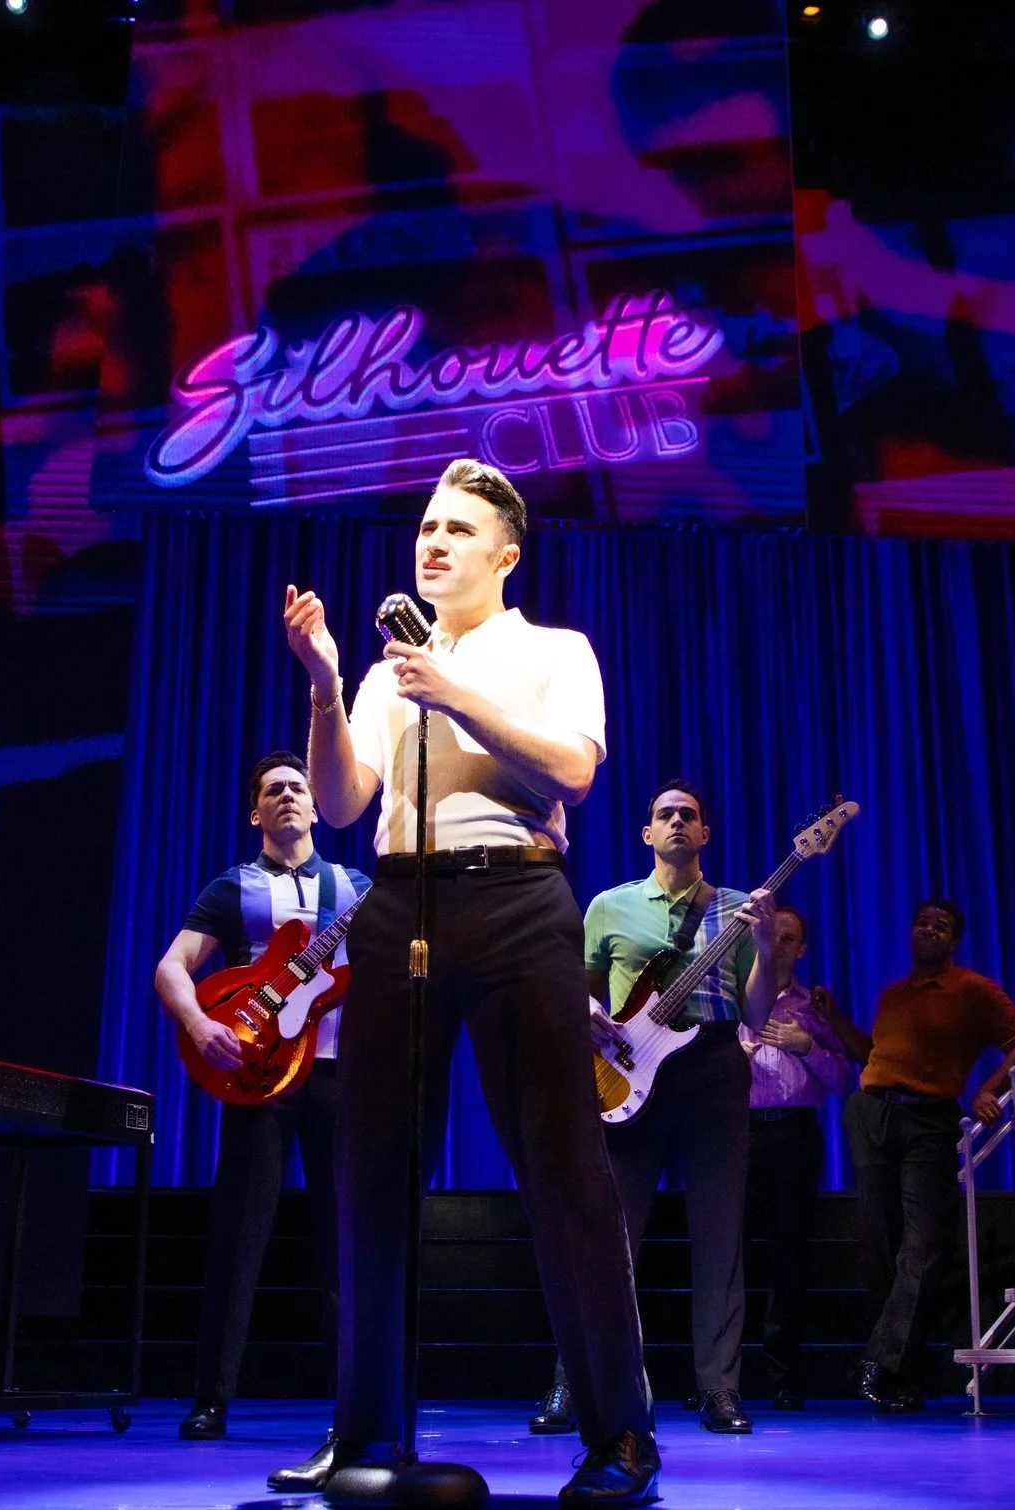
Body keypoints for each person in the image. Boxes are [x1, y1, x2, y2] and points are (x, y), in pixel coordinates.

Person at [272, 458, 659, 1507]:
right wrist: (322, 678)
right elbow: (347, 800)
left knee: (565, 1170)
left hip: (518, 899)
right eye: (425, 527)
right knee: (371, 1172)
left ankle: (620, 1435)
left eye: (456, 529)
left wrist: (454, 690)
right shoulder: (392, 666)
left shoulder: (550, 650)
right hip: (399, 906)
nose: (432, 542)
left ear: (504, 554)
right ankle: (365, 1431)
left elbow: (572, 769)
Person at [529, 782, 777, 1438]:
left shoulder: (736, 912)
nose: (676, 822)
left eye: (688, 815)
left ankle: (720, 1390)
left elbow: (757, 1014)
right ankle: (574, 1383)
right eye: (664, 814)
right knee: (606, 1242)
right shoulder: (609, 907)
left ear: (705, 833)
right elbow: (575, 994)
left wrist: (772, 948)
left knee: (720, 1238)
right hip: (630, 1074)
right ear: (647, 834)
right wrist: (587, 1017)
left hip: (714, 1071)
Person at [153, 751, 369, 1441]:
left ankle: (354, 1404)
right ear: (256, 812)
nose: (288, 796)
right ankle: (211, 1397)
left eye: (299, 787)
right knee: (238, 1237)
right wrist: (198, 1022)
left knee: (345, 1242)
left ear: (316, 806)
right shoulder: (232, 886)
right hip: (257, 1075)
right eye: (274, 790)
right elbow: (172, 966)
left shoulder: (356, 884)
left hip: (338, 1075)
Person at [843, 898, 1015, 1411]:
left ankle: (881, 1361)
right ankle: (896, 1376)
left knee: (924, 1246)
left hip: (929, 1121)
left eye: (942, 925)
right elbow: (873, 1056)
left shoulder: (971, 989)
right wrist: (830, 1019)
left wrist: (988, 1090)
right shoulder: (893, 995)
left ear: (953, 941)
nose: (928, 929)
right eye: (922, 922)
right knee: (881, 1242)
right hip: (871, 1112)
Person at [741, 902, 852, 1411]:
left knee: (788, 1254)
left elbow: (843, 1080)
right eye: (773, 935)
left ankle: (783, 1374)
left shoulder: (814, 1007)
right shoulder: (736, 1001)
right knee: (732, 1254)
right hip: (736, 1135)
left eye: (789, 938)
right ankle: (722, 1377)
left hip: (792, 1136)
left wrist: (807, 1045)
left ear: (802, 948)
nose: (780, 944)